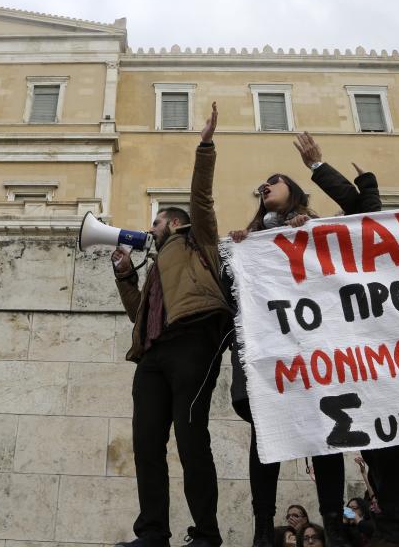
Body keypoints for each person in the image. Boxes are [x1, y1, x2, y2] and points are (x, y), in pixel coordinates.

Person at [227, 132, 381, 547]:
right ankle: (263, 527)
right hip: (270, 360)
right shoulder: (246, 243)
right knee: (266, 440)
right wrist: (239, 253)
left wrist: (311, 233)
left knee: (325, 435)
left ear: (292, 191)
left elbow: (362, 223)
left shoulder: (316, 229)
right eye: (263, 184)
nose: (266, 185)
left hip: (314, 353)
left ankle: (333, 522)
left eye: (274, 180)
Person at [111, 102, 233, 547]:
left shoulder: (197, 240)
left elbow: (202, 197)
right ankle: (152, 534)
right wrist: (126, 275)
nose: (152, 225)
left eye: (158, 219)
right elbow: (139, 316)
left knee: (190, 439)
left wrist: (205, 147)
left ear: (175, 222)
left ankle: (206, 535)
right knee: (146, 446)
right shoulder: (158, 262)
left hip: (194, 343)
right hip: (154, 353)